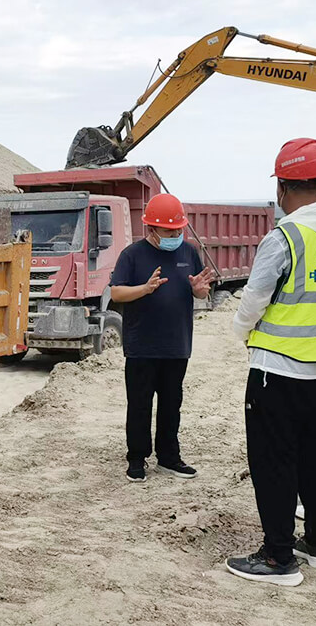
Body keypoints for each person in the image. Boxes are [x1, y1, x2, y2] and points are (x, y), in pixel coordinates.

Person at [226, 139, 316, 586]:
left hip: (277, 370)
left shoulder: (283, 237)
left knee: (275, 461)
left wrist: (241, 332)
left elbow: (255, 297)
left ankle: (278, 557)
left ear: (283, 187)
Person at [110, 193, 213, 483]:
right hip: (141, 345)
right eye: (170, 231)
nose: (176, 235)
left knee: (172, 404)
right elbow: (117, 292)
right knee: (140, 404)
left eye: (179, 229)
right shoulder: (132, 255)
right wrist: (144, 288)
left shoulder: (188, 252)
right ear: (151, 229)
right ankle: (137, 459)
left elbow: (199, 288)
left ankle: (169, 457)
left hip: (177, 344)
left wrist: (199, 291)